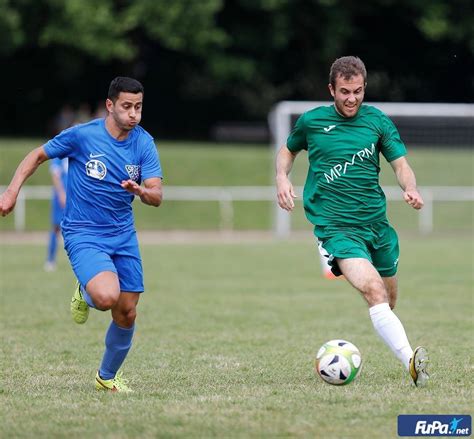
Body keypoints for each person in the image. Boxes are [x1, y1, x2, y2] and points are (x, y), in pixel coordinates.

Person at [0, 77, 163, 392]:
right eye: (127, 107)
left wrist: (141, 190)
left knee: (127, 311)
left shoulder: (144, 143)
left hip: (123, 234)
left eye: (138, 107)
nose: (133, 114)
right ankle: (86, 290)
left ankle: (106, 378)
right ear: (110, 105)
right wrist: (11, 192)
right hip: (82, 231)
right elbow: (37, 156)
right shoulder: (83, 136)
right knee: (105, 297)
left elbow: (156, 195)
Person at [276, 56, 429, 387]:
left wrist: (411, 188)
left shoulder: (378, 122)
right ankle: (412, 365)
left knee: (388, 299)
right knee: (374, 291)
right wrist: (281, 178)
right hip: (337, 229)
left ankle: (394, 339)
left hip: (377, 226)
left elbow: (401, 165)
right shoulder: (312, 122)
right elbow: (288, 151)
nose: (351, 99)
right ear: (331, 89)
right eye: (344, 91)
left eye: (358, 91)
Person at [44, 157, 68, 272]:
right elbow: (55, 175)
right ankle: (50, 259)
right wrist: (61, 194)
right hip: (61, 197)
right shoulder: (60, 151)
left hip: (76, 197)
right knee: (56, 227)